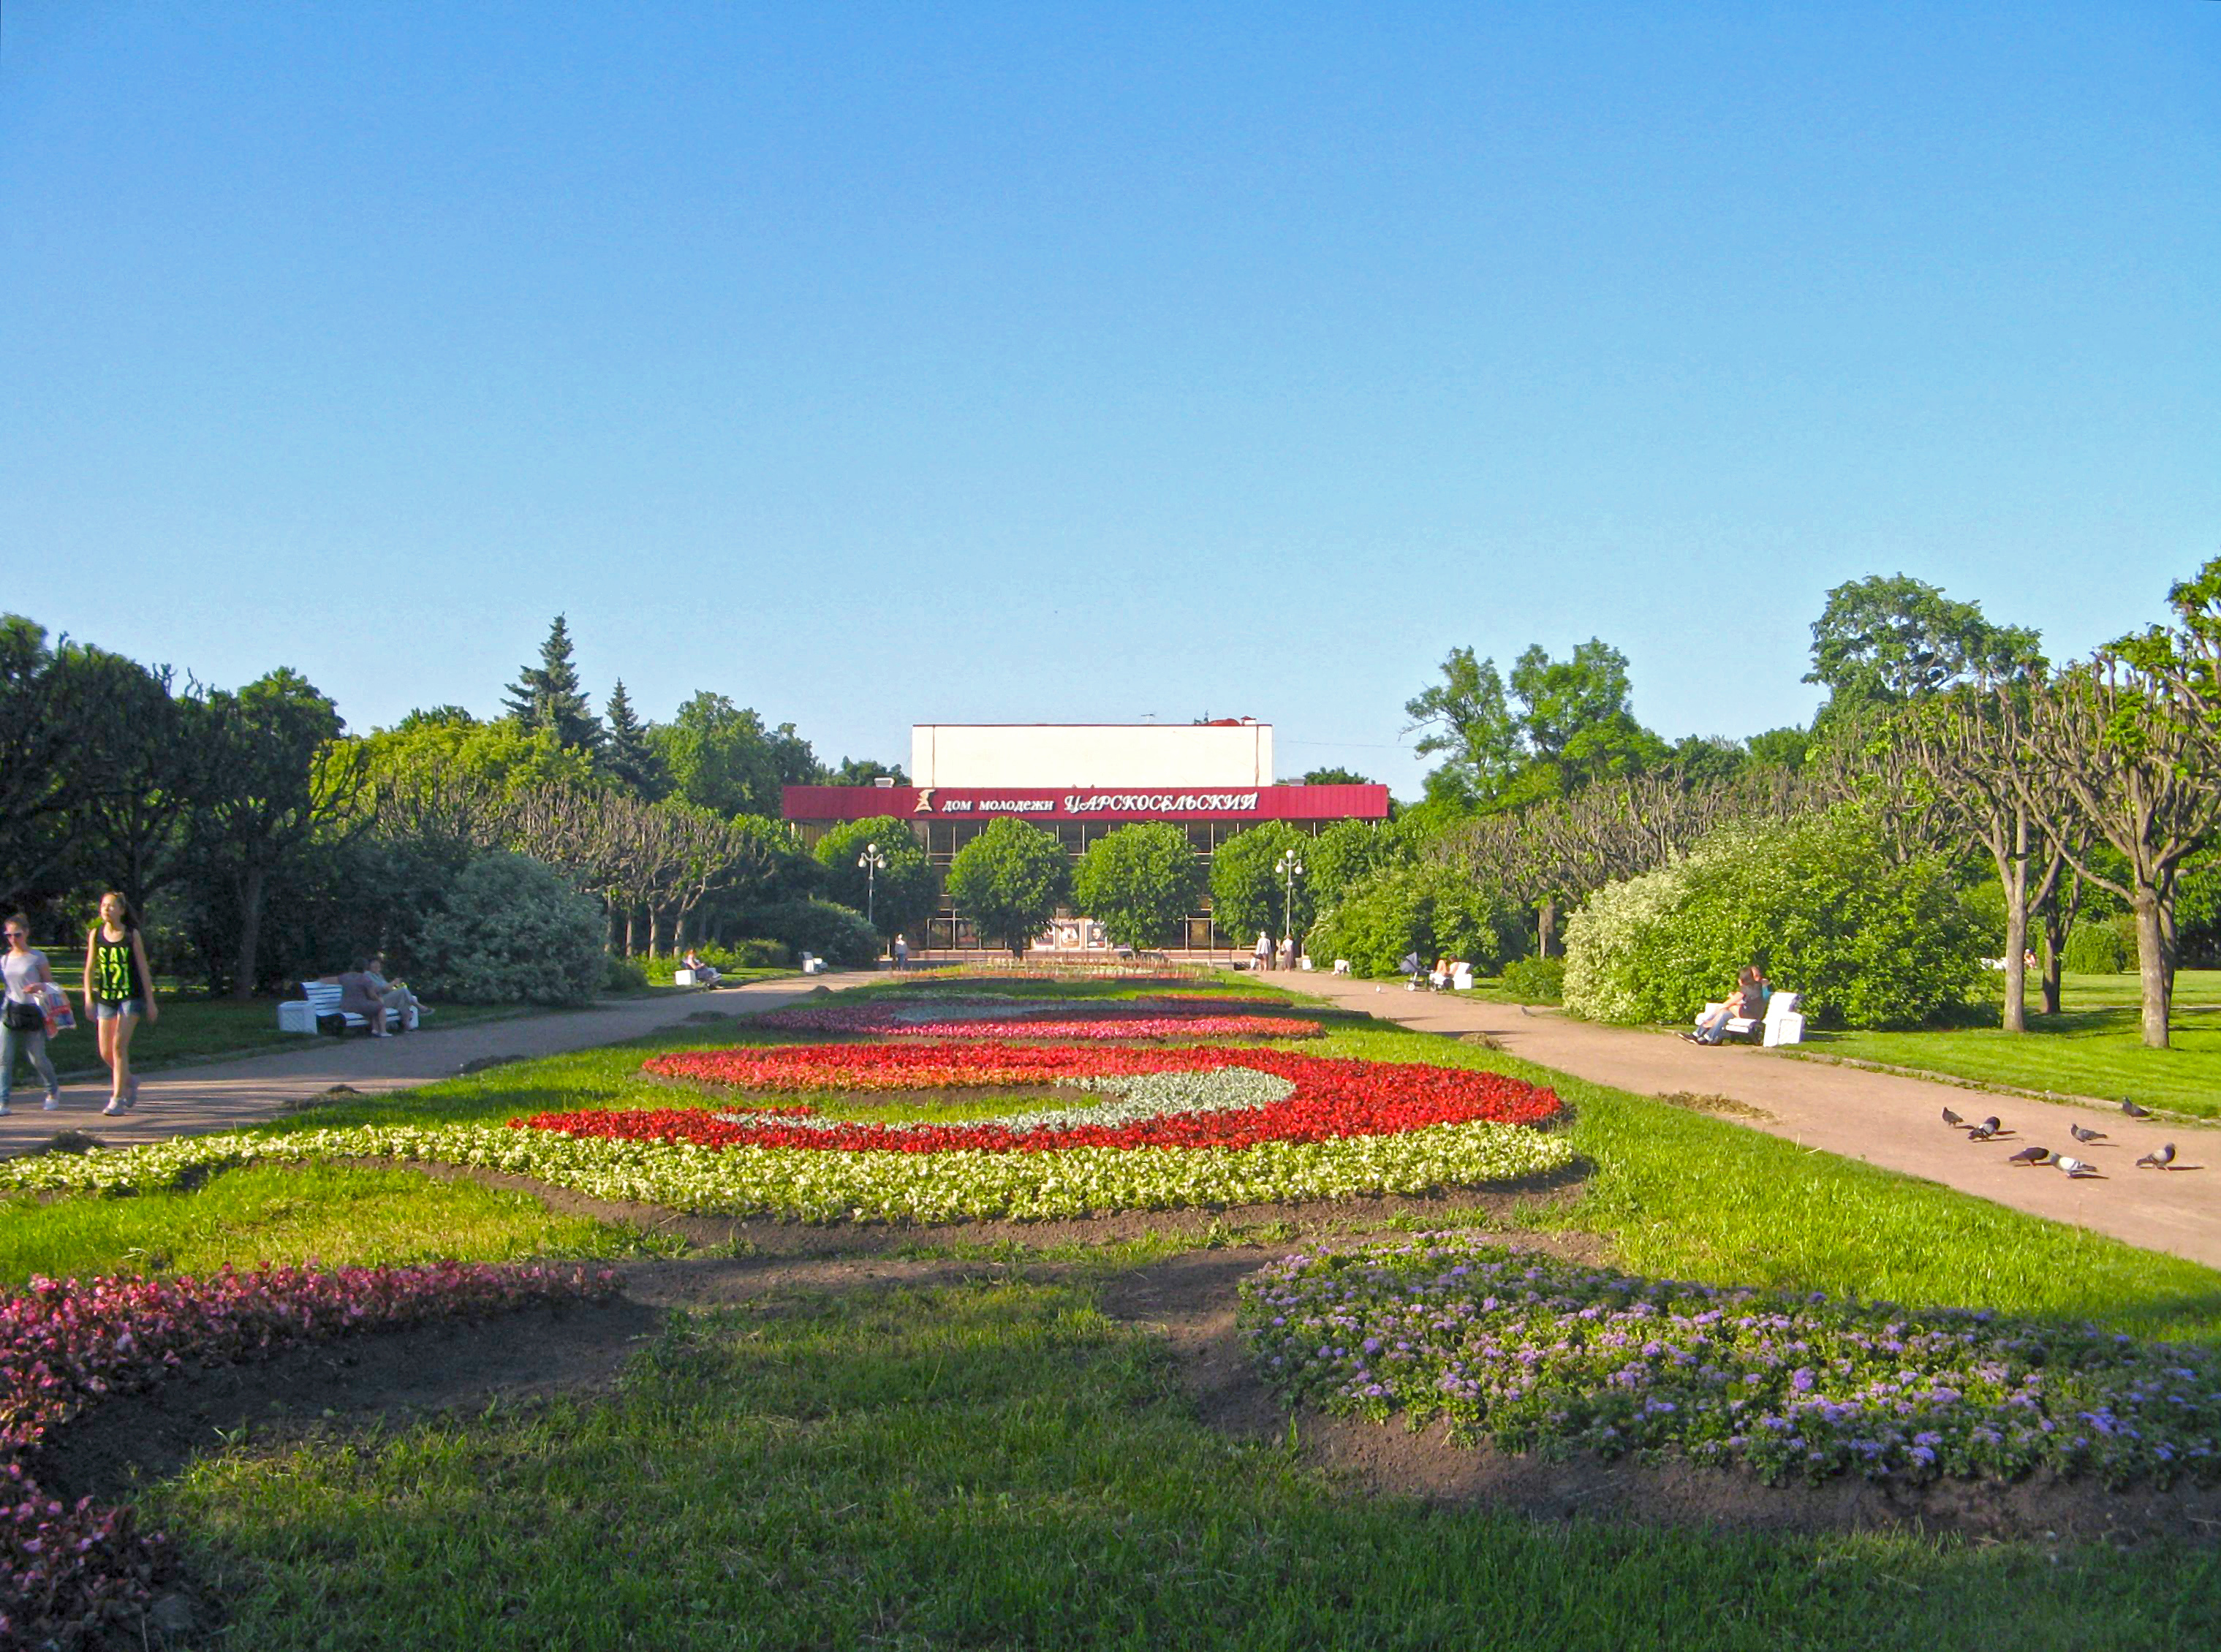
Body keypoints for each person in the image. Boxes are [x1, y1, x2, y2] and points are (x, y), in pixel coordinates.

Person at [83, 891, 158, 1115]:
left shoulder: (131, 935)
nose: (106, 909)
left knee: (118, 1046)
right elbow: (89, 968)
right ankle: (129, 1080)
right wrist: (88, 997)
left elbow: (143, 969)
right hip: (106, 997)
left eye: (111, 906)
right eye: (103, 905)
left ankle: (117, 1099)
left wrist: (151, 1002)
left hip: (130, 997)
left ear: (122, 910)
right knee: (105, 1051)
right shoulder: (96, 934)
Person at [1, 914, 63, 1116]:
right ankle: (3, 1101)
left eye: (17, 934)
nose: (13, 939)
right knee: (4, 1058)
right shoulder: (5, 959)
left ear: (26, 933)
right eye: (8, 935)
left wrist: (39, 986)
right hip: (10, 1011)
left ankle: (53, 1091)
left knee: (37, 1057)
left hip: (33, 1011)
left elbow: (53, 986)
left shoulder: (37, 957)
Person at [330, 960, 392, 1037]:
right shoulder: (365, 979)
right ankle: (383, 1031)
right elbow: (372, 995)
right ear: (364, 968)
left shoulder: (345, 976)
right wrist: (379, 1000)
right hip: (360, 1005)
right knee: (380, 1007)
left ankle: (375, 1030)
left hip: (346, 1006)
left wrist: (319, 981)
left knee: (372, 1007)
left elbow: (329, 980)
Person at [364, 953, 421, 1030]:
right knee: (403, 990)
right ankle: (418, 1006)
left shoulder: (379, 975)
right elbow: (382, 988)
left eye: (378, 963)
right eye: (374, 963)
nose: (376, 965)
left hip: (385, 998)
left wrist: (395, 986)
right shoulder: (368, 975)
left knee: (403, 998)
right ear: (369, 965)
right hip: (377, 1000)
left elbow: (388, 989)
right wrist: (394, 982)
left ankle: (406, 1025)